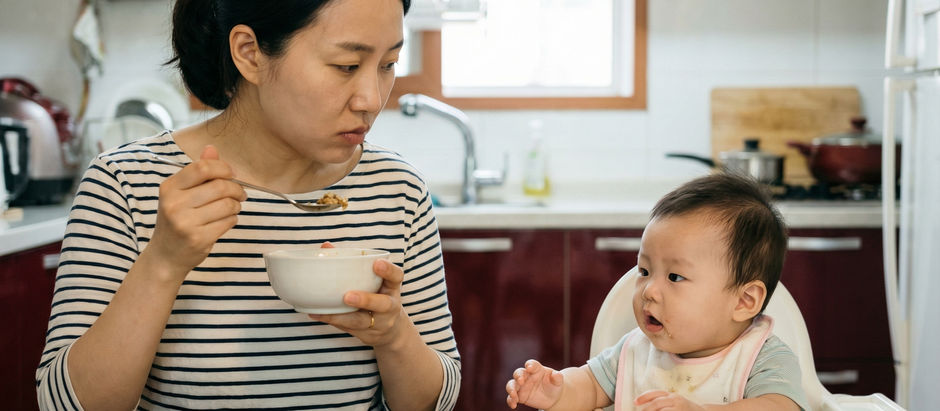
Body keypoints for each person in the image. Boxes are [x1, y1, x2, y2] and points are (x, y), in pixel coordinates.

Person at [36, 0, 461, 409]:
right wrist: (163, 262)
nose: (371, 98)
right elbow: (66, 403)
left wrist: (393, 336)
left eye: (388, 65)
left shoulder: (397, 189)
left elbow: (433, 402)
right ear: (250, 53)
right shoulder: (127, 183)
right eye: (346, 66)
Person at [505, 173, 810, 411]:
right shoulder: (635, 350)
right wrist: (557, 390)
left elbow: (781, 406)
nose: (649, 290)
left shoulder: (763, 358)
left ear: (744, 301)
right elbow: (588, 385)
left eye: (675, 276)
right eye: (644, 271)